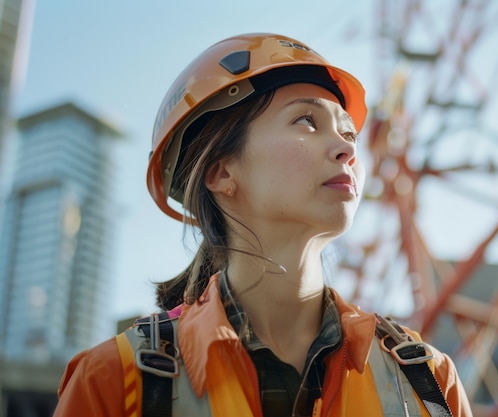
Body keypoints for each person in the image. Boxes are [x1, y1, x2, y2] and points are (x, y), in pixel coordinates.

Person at [53, 33, 473, 417]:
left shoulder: (430, 380)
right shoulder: (111, 382)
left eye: (349, 133)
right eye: (306, 121)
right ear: (220, 172)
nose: (346, 147)